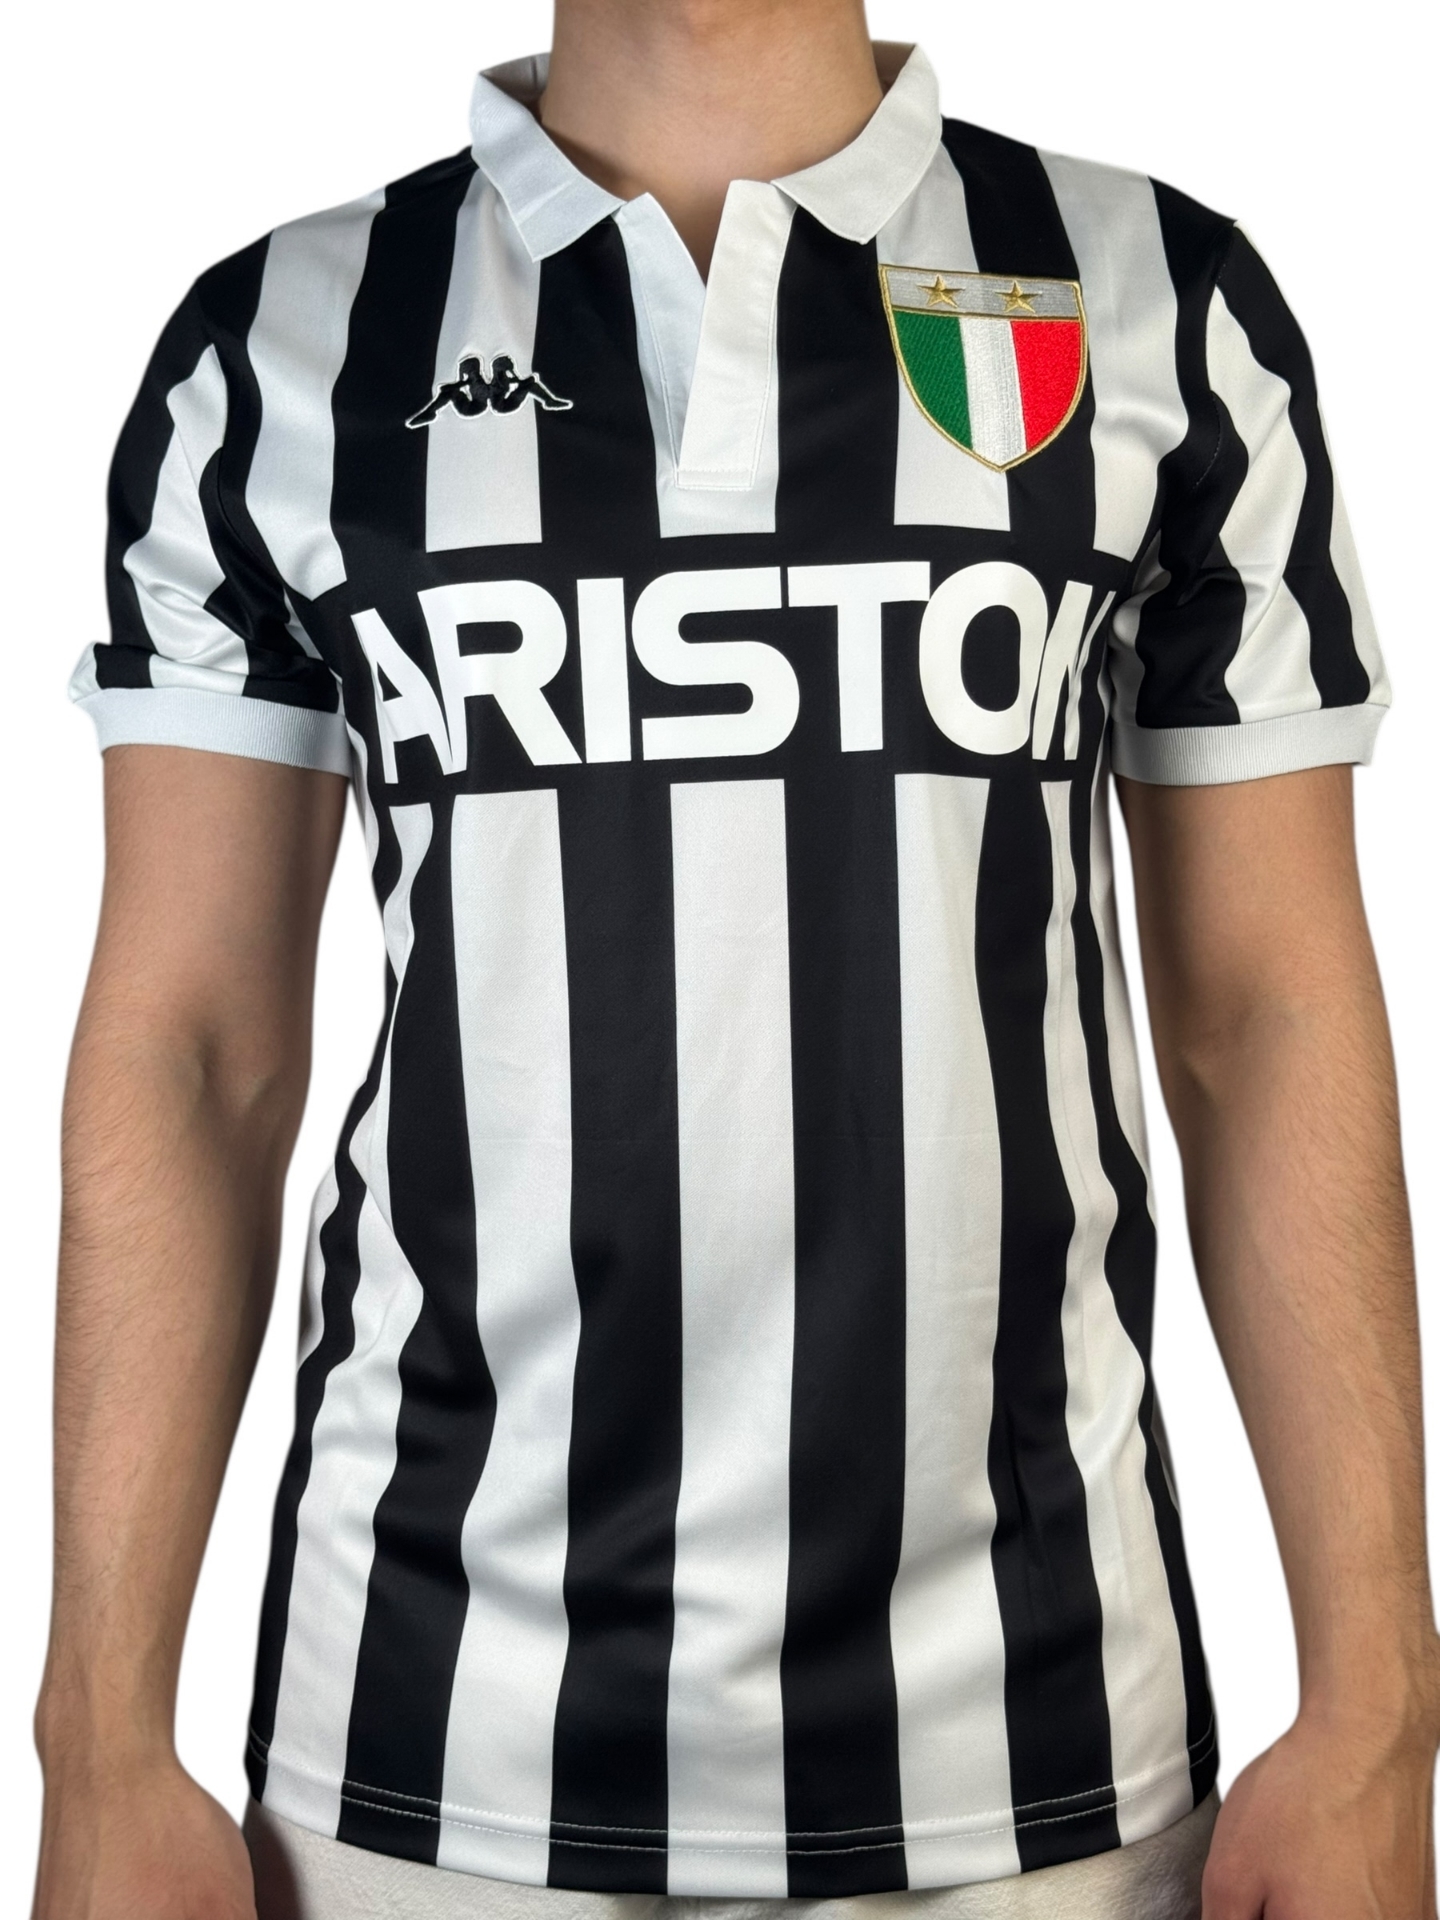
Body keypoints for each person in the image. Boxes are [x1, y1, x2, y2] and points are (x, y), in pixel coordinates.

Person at [31, 1, 1440, 1916]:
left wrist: (1377, 1714)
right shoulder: (276, 341)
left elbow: (1266, 1020)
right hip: (420, 1754)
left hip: (1041, 1752)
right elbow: (194, 1054)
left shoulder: (1153, 298)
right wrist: (99, 1739)